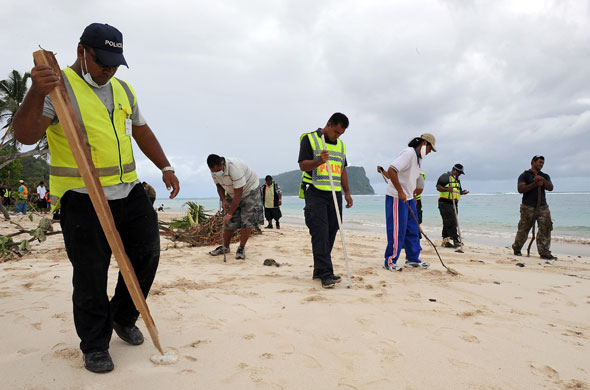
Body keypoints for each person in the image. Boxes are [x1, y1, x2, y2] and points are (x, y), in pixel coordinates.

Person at [12, 23, 180, 373]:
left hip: (130, 191)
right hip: (82, 197)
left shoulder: (123, 89)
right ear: (81, 52)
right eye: (102, 61)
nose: (109, 70)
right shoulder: (58, 89)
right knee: (90, 273)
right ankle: (94, 344)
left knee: (147, 254)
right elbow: (26, 134)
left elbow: (140, 129)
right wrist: (36, 92)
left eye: (115, 63)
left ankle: (122, 316)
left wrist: (165, 166)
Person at [298, 112, 353, 289]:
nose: (338, 136)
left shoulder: (341, 146)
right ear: (328, 124)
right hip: (315, 191)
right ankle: (326, 274)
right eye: (336, 132)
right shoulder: (310, 139)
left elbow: (342, 169)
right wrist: (319, 161)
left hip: (335, 193)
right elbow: (302, 165)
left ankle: (319, 268)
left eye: (341, 134)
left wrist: (347, 192)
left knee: (332, 230)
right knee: (320, 230)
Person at [380, 134, 435, 271]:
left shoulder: (419, 159)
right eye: (429, 148)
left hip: (409, 198)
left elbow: (411, 180)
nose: (429, 152)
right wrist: (400, 191)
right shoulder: (409, 153)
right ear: (423, 143)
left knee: (413, 229)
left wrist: (412, 198)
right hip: (396, 197)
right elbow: (392, 170)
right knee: (397, 230)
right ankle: (390, 261)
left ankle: (412, 258)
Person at [207, 154, 263, 260]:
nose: (216, 173)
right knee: (229, 221)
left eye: (218, 170)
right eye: (214, 171)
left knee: (246, 220)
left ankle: (241, 248)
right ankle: (225, 247)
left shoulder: (235, 168)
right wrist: (223, 199)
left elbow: (238, 195)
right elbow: (218, 185)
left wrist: (229, 213)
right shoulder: (214, 170)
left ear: (222, 163)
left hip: (249, 190)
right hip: (232, 190)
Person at [511, 155, 557, 263]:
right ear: (533, 162)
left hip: (542, 206)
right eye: (539, 162)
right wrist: (535, 183)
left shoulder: (545, 176)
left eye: (542, 163)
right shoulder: (525, 175)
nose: (541, 164)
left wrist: (543, 181)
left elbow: (550, 187)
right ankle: (517, 248)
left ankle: (544, 252)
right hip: (527, 206)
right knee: (524, 229)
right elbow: (520, 189)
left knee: (546, 228)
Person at [436, 164, 469, 248]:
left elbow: (457, 190)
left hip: (454, 203)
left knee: (447, 222)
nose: (460, 174)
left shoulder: (457, 179)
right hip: (444, 202)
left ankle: (445, 242)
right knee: (452, 222)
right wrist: (447, 189)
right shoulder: (445, 176)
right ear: (454, 170)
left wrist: (462, 192)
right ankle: (456, 240)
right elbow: (438, 187)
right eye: (459, 172)